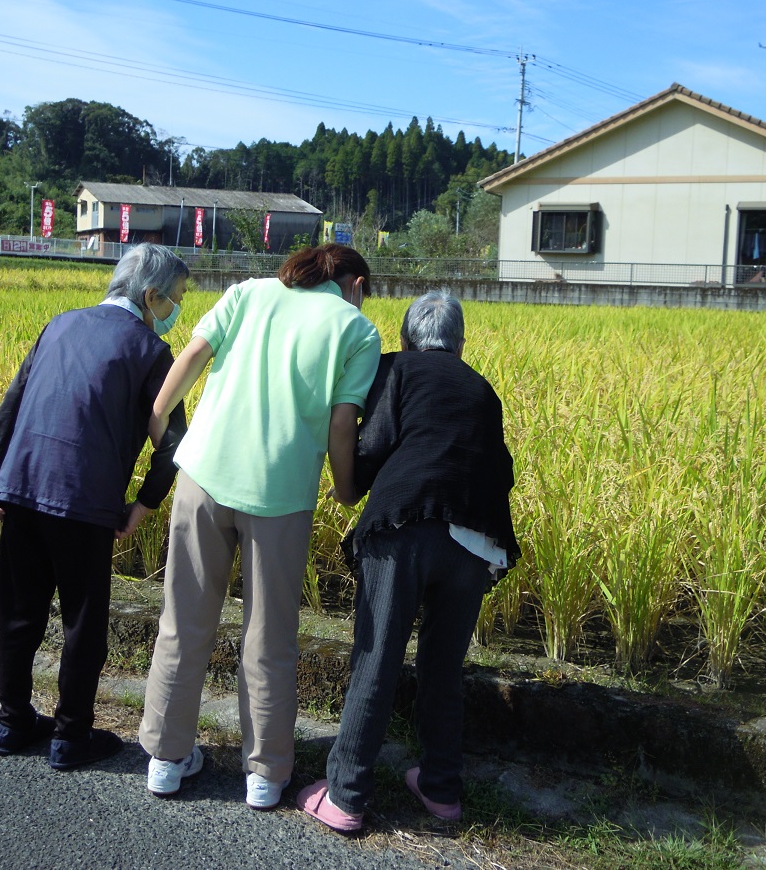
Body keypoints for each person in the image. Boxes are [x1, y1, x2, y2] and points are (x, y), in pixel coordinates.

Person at [138, 243, 381, 809]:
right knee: (269, 635)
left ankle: (166, 760)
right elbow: (343, 424)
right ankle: (265, 775)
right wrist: (347, 491)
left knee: (183, 619)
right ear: (357, 284)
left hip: (204, 474)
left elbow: (190, 358)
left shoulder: (246, 293)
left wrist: (158, 426)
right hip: (281, 493)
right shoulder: (357, 331)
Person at [297, 290, 520, 832]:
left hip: (402, 528)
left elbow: (369, 445)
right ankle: (442, 789)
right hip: (477, 539)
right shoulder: (482, 389)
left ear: (404, 337)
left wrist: (349, 490)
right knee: (443, 665)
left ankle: (346, 795)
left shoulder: (395, 370)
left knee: (377, 654)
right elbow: (502, 469)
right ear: (460, 343)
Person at [0, 243, 190, 771]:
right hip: (86, 501)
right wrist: (144, 504)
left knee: (19, 614)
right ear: (150, 295)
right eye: (175, 299)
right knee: (82, 624)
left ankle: (12, 724)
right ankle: (71, 736)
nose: (175, 310)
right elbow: (174, 443)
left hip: (22, 487)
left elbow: (15, 399)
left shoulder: (59, 323)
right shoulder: (151, 352)